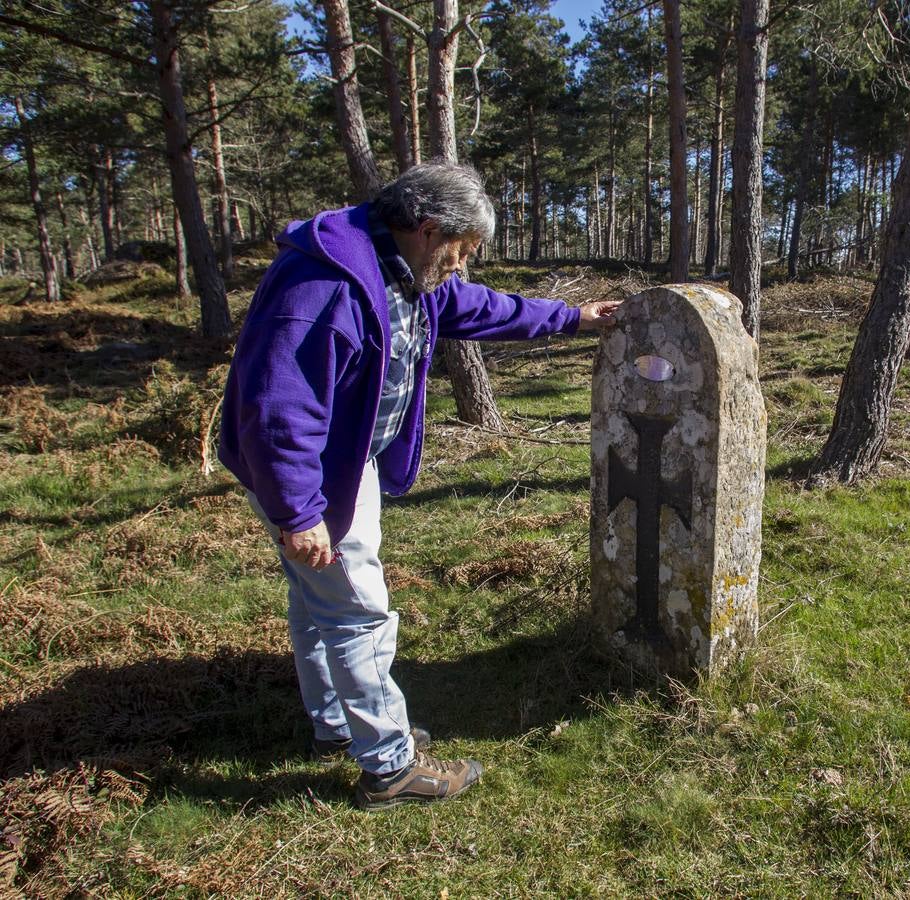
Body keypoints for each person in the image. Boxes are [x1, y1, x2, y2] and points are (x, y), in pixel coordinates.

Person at [218, 162, 619, 810]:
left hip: (346, 461)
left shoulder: (402, 267)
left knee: (319, 601)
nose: (461, 267)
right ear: (430, 230)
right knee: (357, 613)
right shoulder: (327, 283)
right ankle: (389, 764)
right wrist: (299, 511)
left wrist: (570, 317)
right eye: (460, 253)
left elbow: (477, 307)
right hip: (314, 478)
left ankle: (338, 724)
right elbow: (277, 408)